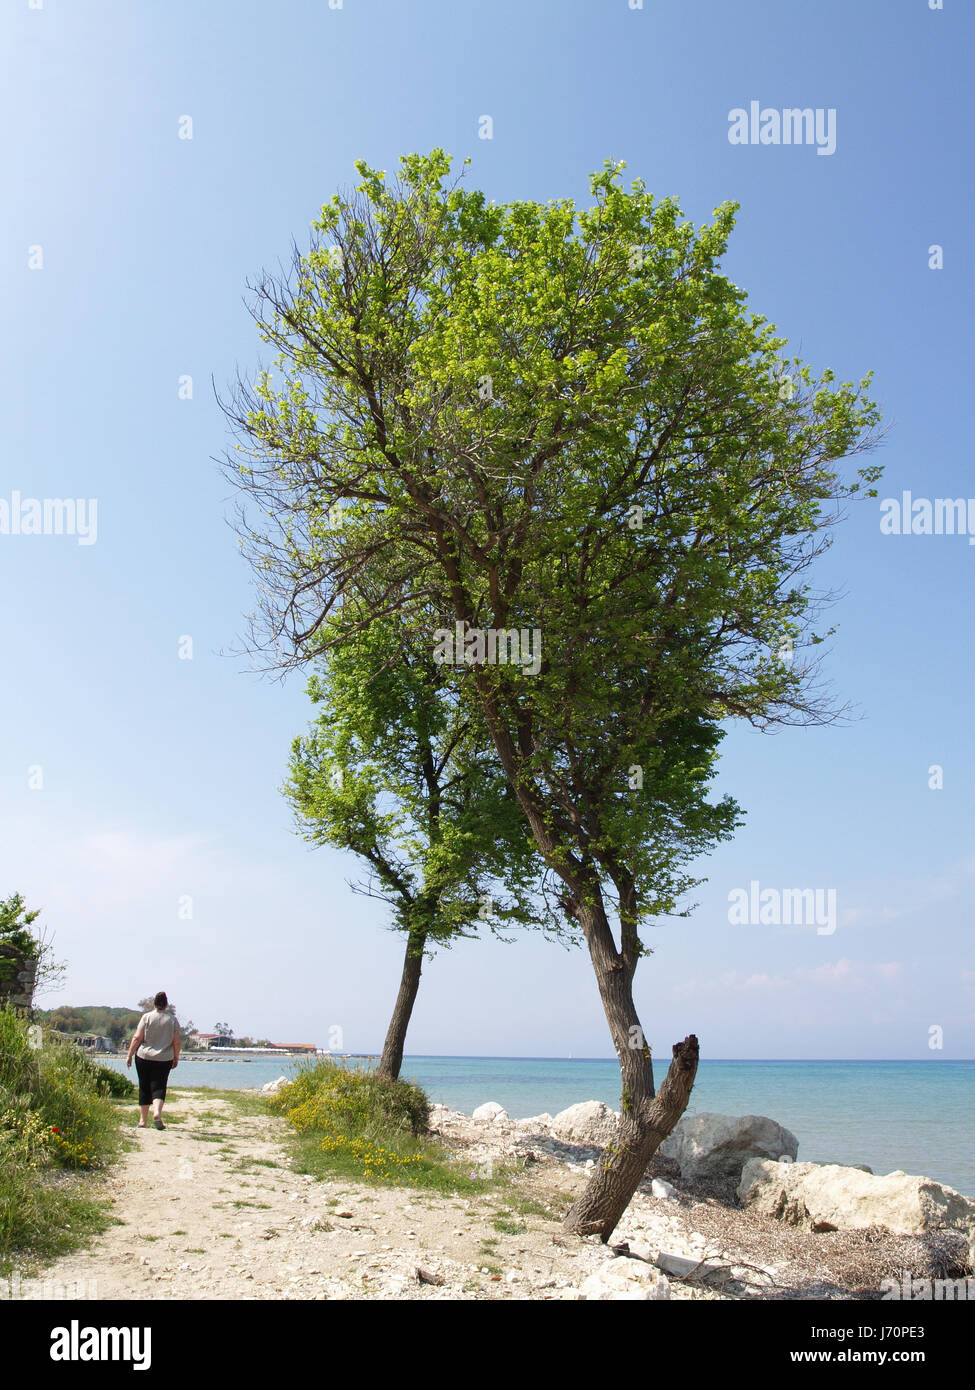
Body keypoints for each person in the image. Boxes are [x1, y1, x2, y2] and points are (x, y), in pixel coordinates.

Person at [126, 991, 180, 1129]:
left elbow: (137, 1037)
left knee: (144, 1086)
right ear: (166, 1004)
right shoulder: (172, 1020)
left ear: (154, 1003)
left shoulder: (147, 1017)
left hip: (144, 1056)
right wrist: (176, 1057)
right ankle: (157, 1112)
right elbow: (176, 1042)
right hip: (164, 1058)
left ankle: (143, 1121)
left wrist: (130, 1054)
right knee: (159, 1086)